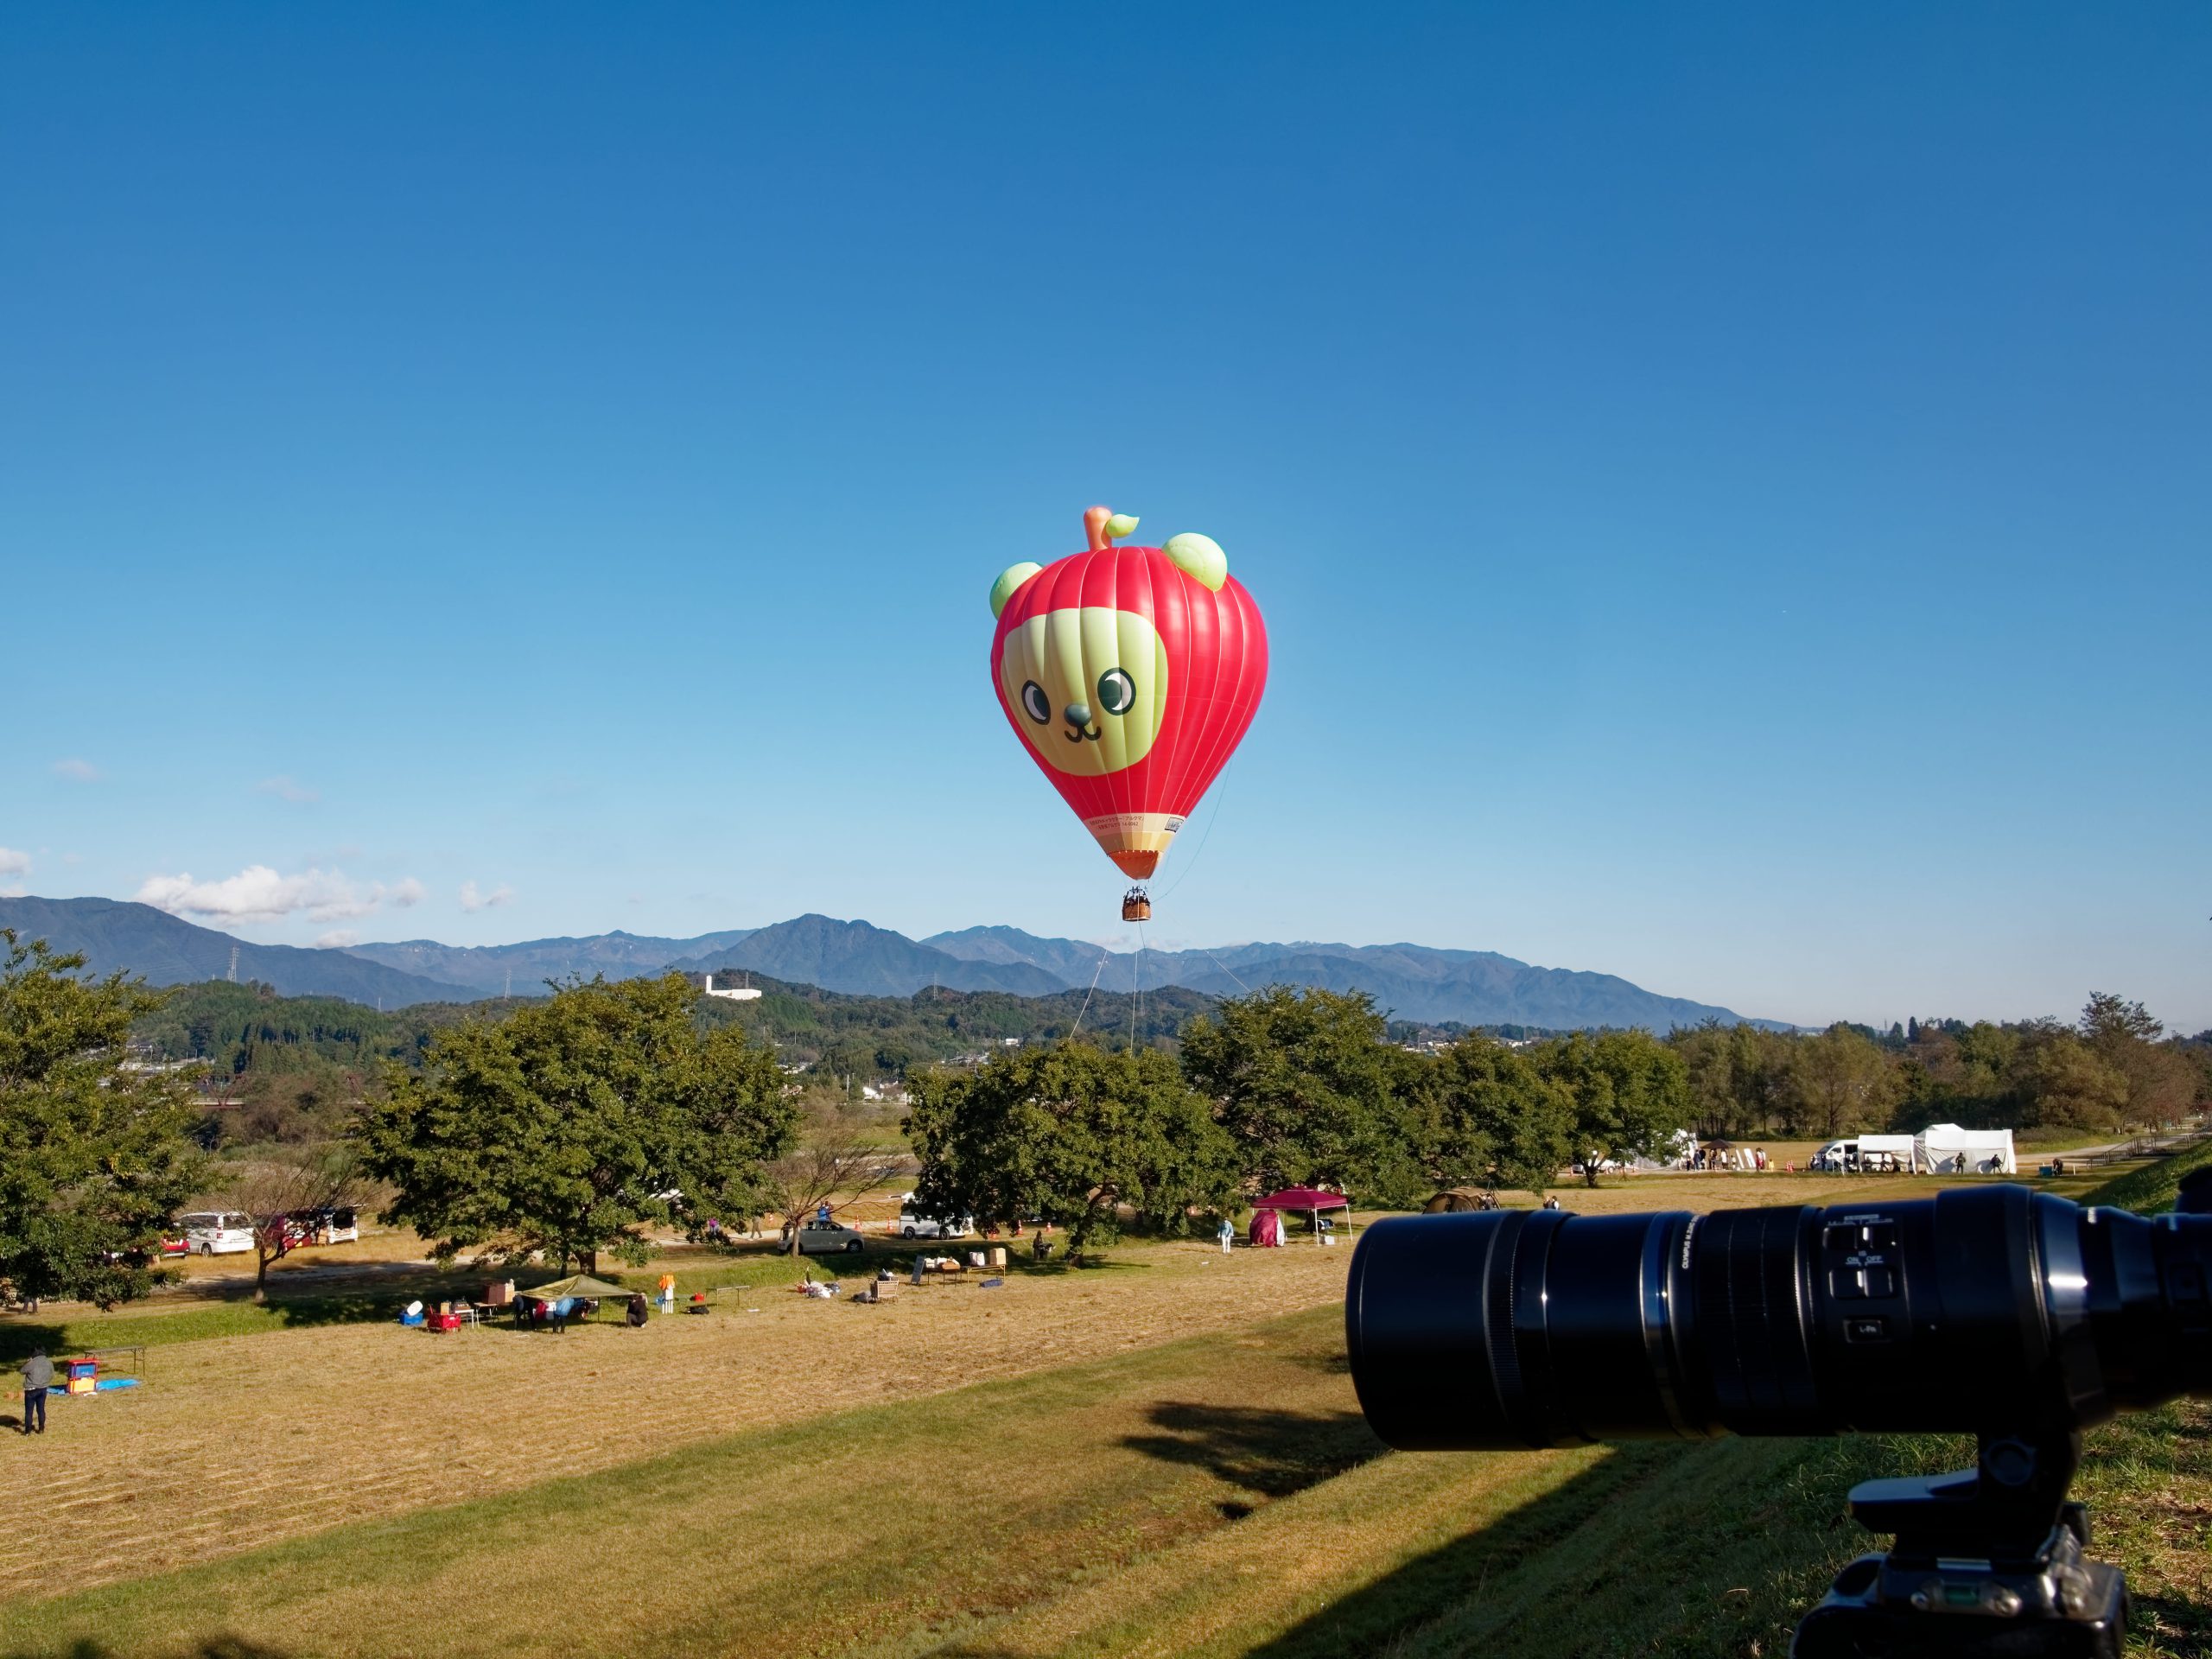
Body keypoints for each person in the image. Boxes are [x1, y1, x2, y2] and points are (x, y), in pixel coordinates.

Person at [22, 1348, 52, 1434]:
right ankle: (41, 1429)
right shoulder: (49, 1362)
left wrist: (27, 1362)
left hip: (31, 1390)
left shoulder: (32, 1362)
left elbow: (22, 1371)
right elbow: (52, 1374)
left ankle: (27, 1431)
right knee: (41, 1410)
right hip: (43, 1389)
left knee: (29, 1411)